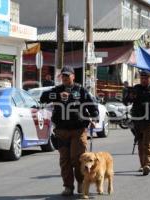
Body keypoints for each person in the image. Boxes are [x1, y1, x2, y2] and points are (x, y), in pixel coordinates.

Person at [40, 66, 99, 196]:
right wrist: (58, 95)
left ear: (73, 76)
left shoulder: (81, 90)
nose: (65, 78)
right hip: (62, 131)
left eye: (67, 75)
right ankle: (68, 187)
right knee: (64, 160)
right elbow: (43, 98)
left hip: (78, 129)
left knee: (78, 159)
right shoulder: (57, 90)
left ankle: (80, 181)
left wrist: (94, 118)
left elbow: (92, 106)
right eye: (63, 76)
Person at [124, 70, 150, 176]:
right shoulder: (135, 89)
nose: (143, 80)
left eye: (146, 78)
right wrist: (129, 96)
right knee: (140, 144)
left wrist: (149, 104)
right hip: (137, 121)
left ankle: (147, 165)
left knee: (147, 144)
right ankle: (142, 165)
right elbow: (126, 102)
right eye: (142, 78)